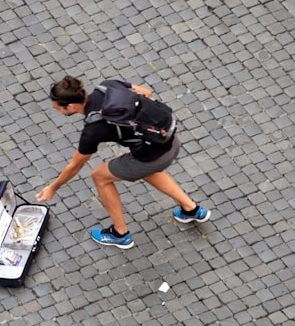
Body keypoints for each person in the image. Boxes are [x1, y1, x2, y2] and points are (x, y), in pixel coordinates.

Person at [36, 75, 210, 249]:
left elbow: (75, 166)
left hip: (152, 157)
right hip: (169, 139)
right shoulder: (108, 86)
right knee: (145, 171)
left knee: (100, 176)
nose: (57, 111)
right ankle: (192, 210)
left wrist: (53, 187)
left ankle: (120, 234)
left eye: (57, 108)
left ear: (71, 106)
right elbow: (146, 93)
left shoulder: (93, 130)